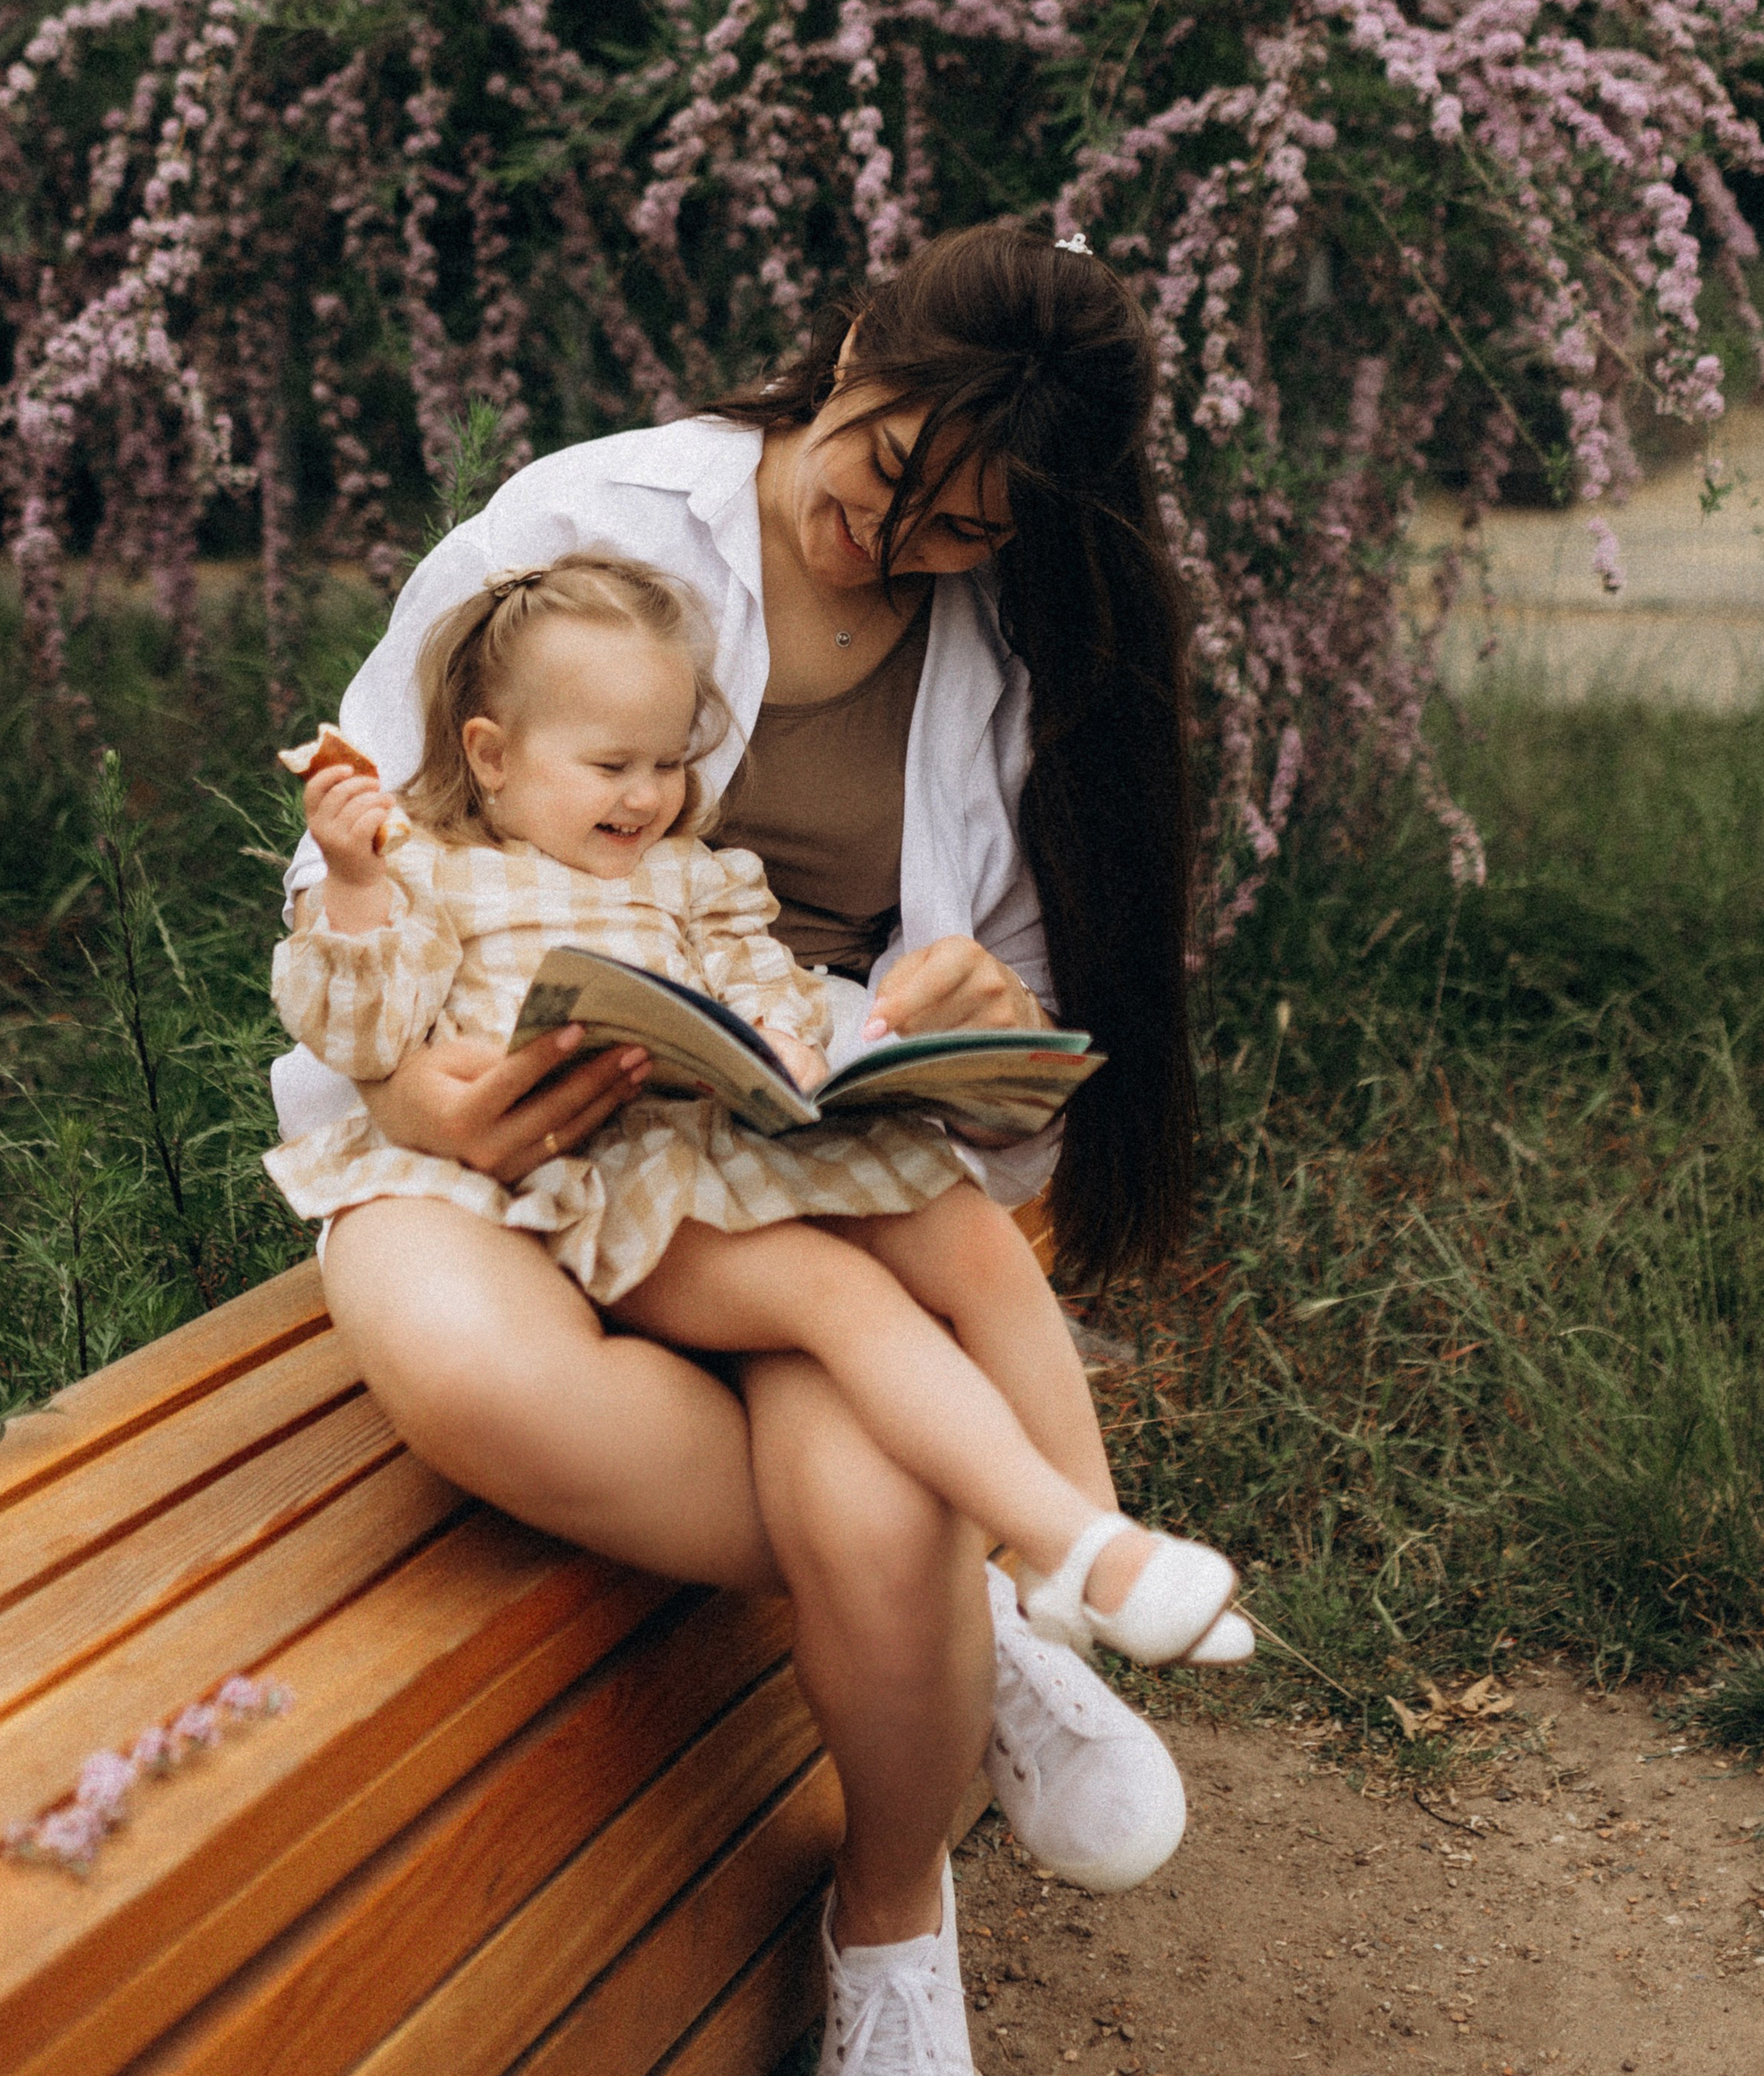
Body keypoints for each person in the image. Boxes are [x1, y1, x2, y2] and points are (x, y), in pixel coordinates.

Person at [273, 220, 1216, 2076]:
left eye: (964, 527)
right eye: (886, 471)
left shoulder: (1010, 646)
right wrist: (423, 1090)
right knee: (479, 1374)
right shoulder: (588, 527)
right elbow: (362, 852)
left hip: (782, 1139)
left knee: (870, 1484)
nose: (898, 539)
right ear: (850, 347)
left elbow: (1006, 1037)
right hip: (493, 1108)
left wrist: (951, 1010)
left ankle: (889, 1919)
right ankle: (986, 1609)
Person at [268, 550, 1249, 1717]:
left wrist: (789, 1048)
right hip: (611, 1186)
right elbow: (364, 1031)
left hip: (732, 1148)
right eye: (610, 766)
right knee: (840, 1296)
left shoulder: (689, 876)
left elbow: (760, 979)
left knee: (970, 1234)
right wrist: (353, 880)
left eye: (669, 762)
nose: (645, 795)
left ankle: (1087, 1544)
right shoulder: (438, 874)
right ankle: (1070, 1545)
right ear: (491, 755)